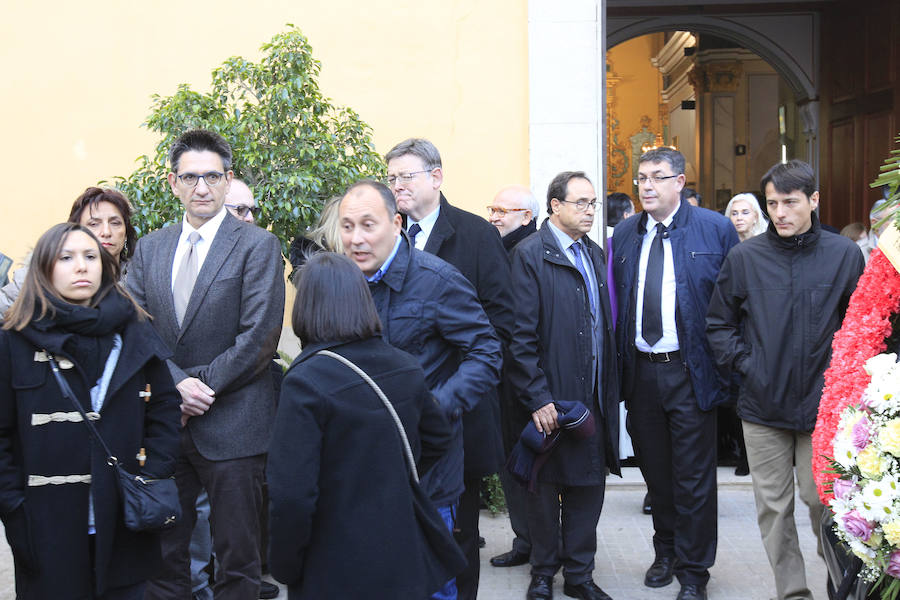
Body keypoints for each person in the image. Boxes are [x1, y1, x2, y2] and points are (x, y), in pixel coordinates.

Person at [129, 129, 285, 600]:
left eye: (212, 176)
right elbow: (139, 329)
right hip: (165, 424)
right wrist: (177, 385)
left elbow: (259, 336)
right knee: (165, 554)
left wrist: (201, 389)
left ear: (227, 179)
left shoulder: (258, 246)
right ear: (173, 183)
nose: (202, 187)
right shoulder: (150, 249)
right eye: (191, 177)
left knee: (239, 558)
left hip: (235, 422)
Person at [707, 160, 865, 600]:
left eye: (790, 202)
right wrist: (749, 366)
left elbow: (861, 326)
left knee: (824, 505)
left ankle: (841, 585)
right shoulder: (745, 257)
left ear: (814, 201)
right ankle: (793, 593)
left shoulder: (844, 255)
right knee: (774, 511)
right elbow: (718, 325)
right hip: (761, 407)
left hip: (825, 410)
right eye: (772, 203)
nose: (780, 213)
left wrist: (845, 382)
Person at [339, 179, 502, 600]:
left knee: (430, 585)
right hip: (362, 468)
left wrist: (436, 407)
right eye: (347, 226)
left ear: (396, 223)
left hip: (427, 471)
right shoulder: (342, 283)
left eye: (368, 225)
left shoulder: (437, 281)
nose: (356, 239)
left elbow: (486, 352)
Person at [0, 223, 181, 599]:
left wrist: (153, 474)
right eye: (66, 258)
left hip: (124, 522)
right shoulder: (13, 341)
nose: (80, 266)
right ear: (45, 269)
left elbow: (164, 407)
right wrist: (16, 510)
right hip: (45, 526)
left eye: (90, 256)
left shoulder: (134, 330)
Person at [267, 251, 454, 598]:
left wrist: (284, 564)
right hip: (401, 551)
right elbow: (439, 437)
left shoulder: (306, 381)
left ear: (306, 307)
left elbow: (292, 494)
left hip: (334, 562)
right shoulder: (405, 365)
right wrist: (390, 480)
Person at [385, 138, 513, 600]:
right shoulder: (386, 234)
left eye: (406, 176)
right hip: (393, 415)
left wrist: (453, 390)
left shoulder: (476, 235)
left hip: (458, 412)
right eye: (391, 177)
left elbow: (501, 324)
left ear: (436, 177)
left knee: (457, 536)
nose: (396, 186)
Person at [613, 148, 739, 600]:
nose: (647, 186)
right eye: (641, 178)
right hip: (642, 374)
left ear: (680, 182)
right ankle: (664, 551)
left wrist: (731, 364)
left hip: (691, 372)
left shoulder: (715, 229)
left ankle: (693, 572)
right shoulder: (626, 234)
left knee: (694, 479)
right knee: (657, 475)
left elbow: (735, 301)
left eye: (657, 178)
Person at [507, 171, 620, 600]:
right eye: (581, 203)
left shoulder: (594, 253)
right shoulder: (530, 255)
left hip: (591, 396)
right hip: (549, 399)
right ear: (555, 206)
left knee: (588, 487)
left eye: (593, 203)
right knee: (543, 487)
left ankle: (580, 576)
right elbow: (519, 335)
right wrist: (537, 396)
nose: (590, 211)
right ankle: (542, 574)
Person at [486, 184, 539, 570]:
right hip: (503, 377)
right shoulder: (500, 250)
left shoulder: (529, 252)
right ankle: (527, 541)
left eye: (503, 210)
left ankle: (540, 544)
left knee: (530, 466)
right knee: (510, 463)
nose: (494, 216)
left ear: (527, 217)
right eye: (493, 208)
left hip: (525, 378)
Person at [0, 187, 138, 314]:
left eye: (115, 223)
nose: (106, 232)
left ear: (126, 233)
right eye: (94, 224)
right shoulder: (37, 278)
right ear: (76, 230)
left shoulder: (140, 278)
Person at [488, 184, 539, 251]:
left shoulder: (532, 253)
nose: (492, 218)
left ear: (526, 217)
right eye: (493, 210)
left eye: (501, 211)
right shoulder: (490, 245)